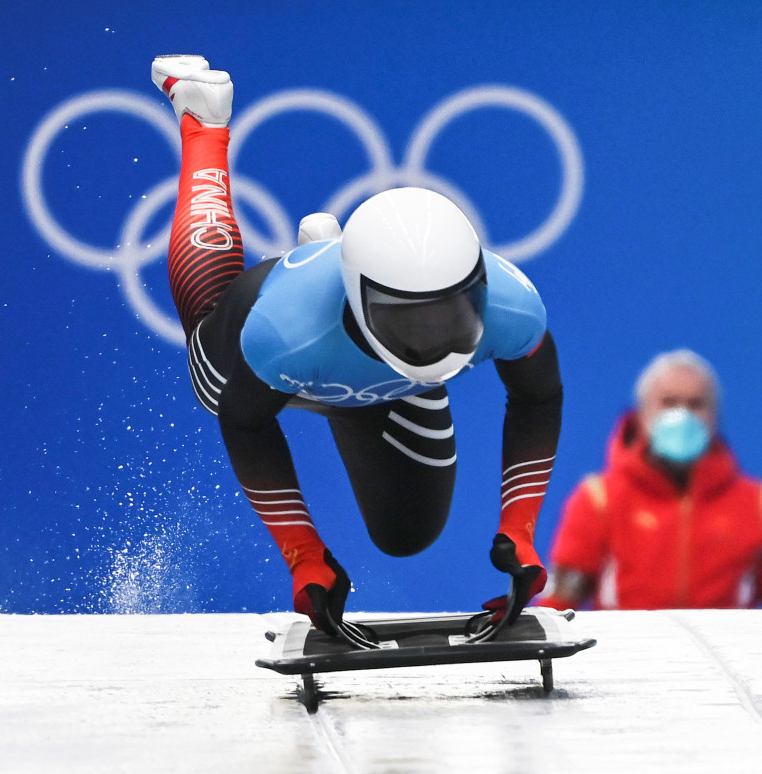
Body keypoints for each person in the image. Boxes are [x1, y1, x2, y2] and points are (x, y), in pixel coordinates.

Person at [150, 56, 563, 633]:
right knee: (212, 381)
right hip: (294, 346)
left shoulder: (514, 308)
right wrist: (303, 555)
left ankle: (326, 251)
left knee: (406, 534)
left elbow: (539, 399)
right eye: (410, 320)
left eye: (451, 312)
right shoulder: (282, 334)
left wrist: (520, 531)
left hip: (368, 372)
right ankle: (202, 125)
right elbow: (246, 426)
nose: (434, 335)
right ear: (357, 296)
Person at [539, 349, 762, 610]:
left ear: (714, 416)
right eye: (669, 402)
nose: (682, 414)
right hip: (628, 659)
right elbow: (559, 602)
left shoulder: (761, 505)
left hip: (722, 659)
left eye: (696, 404)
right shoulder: (598, 499)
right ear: (642, 413)